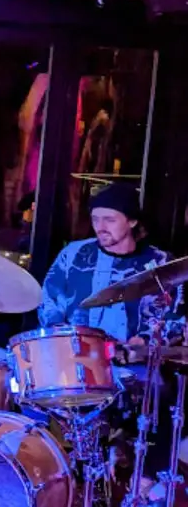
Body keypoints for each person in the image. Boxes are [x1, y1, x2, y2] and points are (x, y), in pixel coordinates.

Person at [38, 182, 185, 504]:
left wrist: (143, 342)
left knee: (160, 392)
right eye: (96, 219)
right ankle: (52, 477)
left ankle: (145, 479)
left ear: (132, 221)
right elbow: (48, 304)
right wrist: (67, 338)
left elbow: (176, 320)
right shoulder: (74, 254)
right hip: (74, 358)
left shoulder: (159, 264)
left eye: (110, 219)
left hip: (130, 363)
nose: (100, 227)